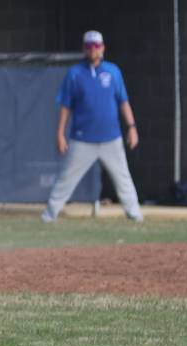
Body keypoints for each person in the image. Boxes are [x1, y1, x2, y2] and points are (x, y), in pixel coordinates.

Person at [41, 30, 143, 223]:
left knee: (123, 177)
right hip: (82, 138)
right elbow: (65, 106)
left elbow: (123, 101)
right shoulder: (75, 74)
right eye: (89, 46)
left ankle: (134, 213)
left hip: (111, 138)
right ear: (84, 49)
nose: (93, 50)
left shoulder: (113, 72)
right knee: (66, 178)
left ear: (103, 48)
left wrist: (132, 127)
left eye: (96, 46)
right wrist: (60, 133)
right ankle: (50, 213)